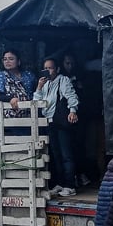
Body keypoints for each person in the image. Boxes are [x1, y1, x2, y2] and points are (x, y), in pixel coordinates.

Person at [33, 57, 79, 197]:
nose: (48, 71)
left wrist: (73, 111)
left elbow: (71, 96)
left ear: (57, 69)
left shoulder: (63, 80)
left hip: (61, 121)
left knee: (66, 155)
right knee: (55, 154)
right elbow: (36, 102)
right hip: (49, 121)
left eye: (50, 68)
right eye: (45, 68)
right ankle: (59, 183)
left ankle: (70, 185)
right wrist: (39, 87)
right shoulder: (45, 84)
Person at [62, 53, 91, 187]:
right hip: (63, 120)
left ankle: (81, 174)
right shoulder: (60, 80)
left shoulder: (80, 78)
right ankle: (69, 179)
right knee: (67, 150)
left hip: (80, 118)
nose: (70, 66)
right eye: (67, 63)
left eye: (72, 63)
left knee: (80, 147)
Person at [0, 49, 37, 119]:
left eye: (11, 59)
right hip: (10, 115)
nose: (7, 62)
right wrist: (11, 99)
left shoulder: (29, 75)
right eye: (5, 59)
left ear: (18, 61)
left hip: (30, 113)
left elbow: (36, 91)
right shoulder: (1, 75)